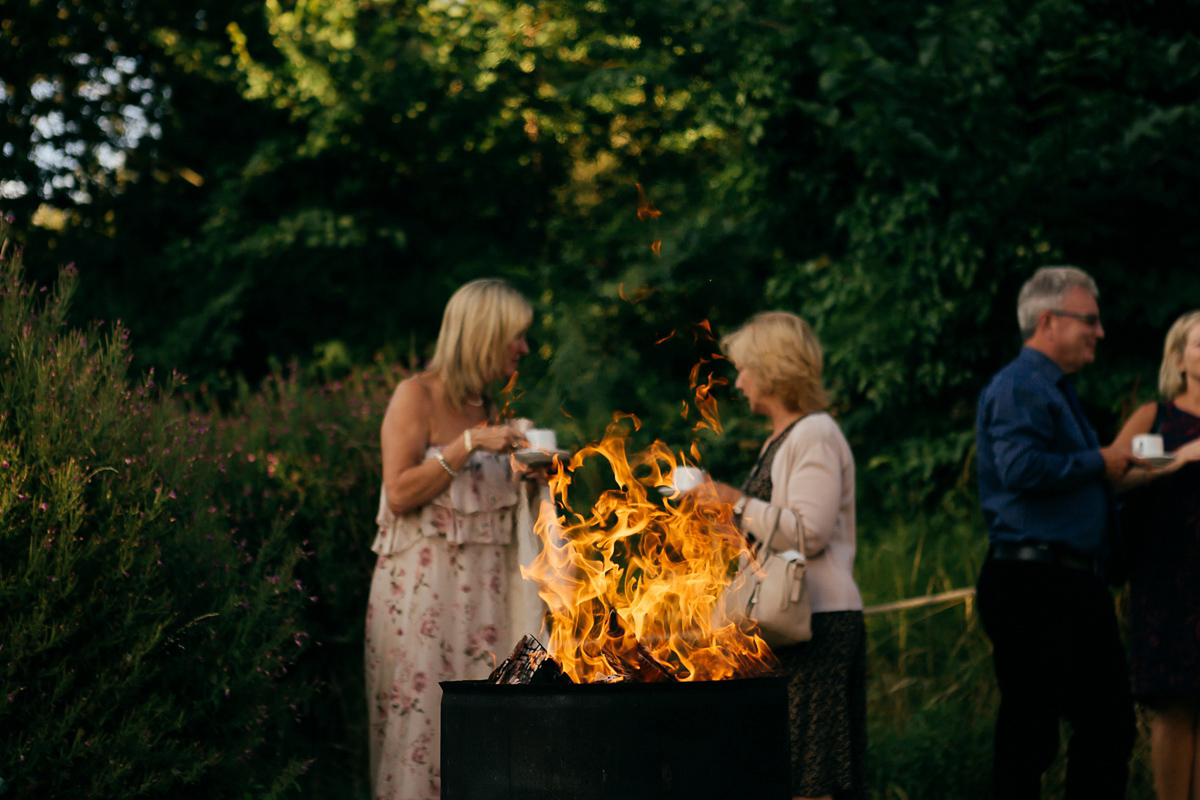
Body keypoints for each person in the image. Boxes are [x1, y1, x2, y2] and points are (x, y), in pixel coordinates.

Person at [364, 278, 546, 800]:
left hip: (491, 604)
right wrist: (467, 445)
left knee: (493, 728)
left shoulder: (494, 408)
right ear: (484, 335)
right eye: (517, 336)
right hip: (424, 601)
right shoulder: (415, 396)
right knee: (422, 728)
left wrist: (535, 479)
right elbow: (398, 494)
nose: (525, 348)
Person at [974, 265, 1142, 799]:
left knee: (1106, 724)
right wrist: (1100, 461)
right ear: (1049, 321)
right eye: (1089, 320)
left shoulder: (1054, 390)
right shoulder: (1021, 386)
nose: (1100, 331)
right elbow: (1020, 469)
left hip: (1066, 582)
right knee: (1034, 734)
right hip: (1034, 582)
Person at [698, 311, 867, 800]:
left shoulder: (814, 433)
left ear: (772, 370)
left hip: (820, 624)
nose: (739, 380)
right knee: (791, 771)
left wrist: (737, 500)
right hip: (791, 627)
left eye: (747, 368)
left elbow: (808, 532)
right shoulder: (781, 439)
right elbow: (770, 533)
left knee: (814, 779)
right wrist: (717, 517)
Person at [1112, 310, 1200, 800]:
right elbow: (1114, 473)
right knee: (1172, 706)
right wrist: (1180, 458)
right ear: (1179, 357)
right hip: (1169, 577)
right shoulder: (1156, 415)